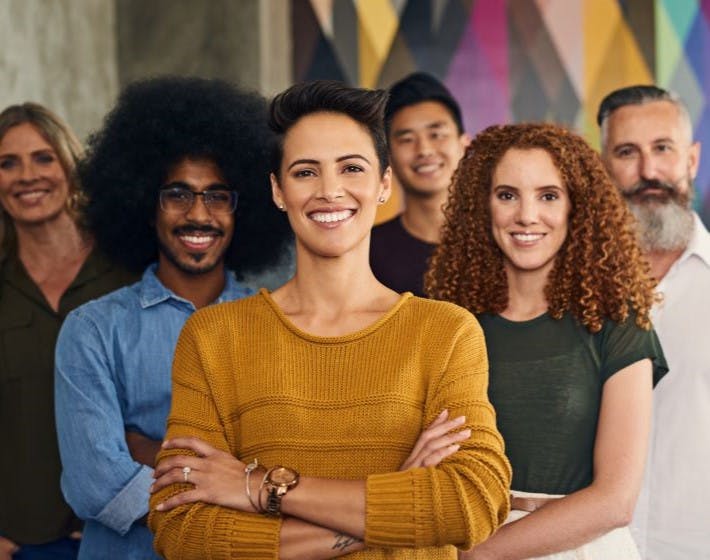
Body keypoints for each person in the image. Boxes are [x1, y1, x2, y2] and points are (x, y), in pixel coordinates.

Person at [148, 80, 511, 560]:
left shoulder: (446, 333)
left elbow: (472, 503)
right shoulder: (213, 336)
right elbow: (182, 528)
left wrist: (263, 487)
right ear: (278, 190)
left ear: (383, 184)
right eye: (305, 172)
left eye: (351, 168)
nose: (330, 190)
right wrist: (393, 505)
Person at [53, 77, 292, 560]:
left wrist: (146, 448)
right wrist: (241, 482)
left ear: (242, 208)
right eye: (178, 194)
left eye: (217, 196)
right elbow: (95, 482)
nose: (198, 214)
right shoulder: (92, 330)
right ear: (146, 204)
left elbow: (299, 459)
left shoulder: (277, 322)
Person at [427, 123, 668, 559]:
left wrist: (475, 555)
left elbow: (615, 501)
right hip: (462, 534)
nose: (526, 215)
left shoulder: (619, 324)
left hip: (579, 548)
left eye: (548, 195)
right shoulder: (447, 325)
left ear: (578, 207)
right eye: (507, 195)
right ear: (481, 207)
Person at [0, 103, 134, 560]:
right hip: (24, 542)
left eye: (43, 157)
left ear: (70, 164)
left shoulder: (129, 269)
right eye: (7, 163)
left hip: (126, 531)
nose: (26, 175)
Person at [598, 85, 710, 560]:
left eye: (662, 148)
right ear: (602, 168)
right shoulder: (560, 290)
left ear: (691, 159)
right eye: (627, 152)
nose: (648, 172)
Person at [370, 72, 470, 296]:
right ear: (388, 157)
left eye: (436, 134)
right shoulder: (367, 253)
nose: (424, 150)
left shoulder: (501, 240)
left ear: (465, 145)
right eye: (406, 139)